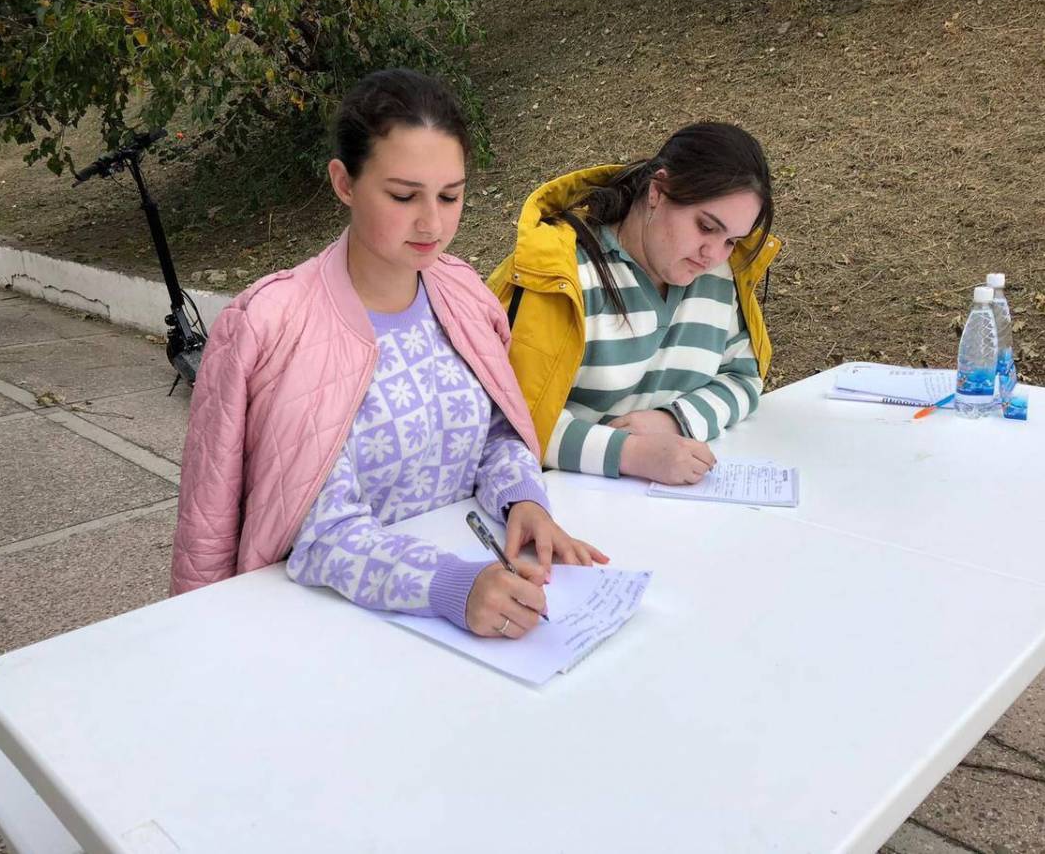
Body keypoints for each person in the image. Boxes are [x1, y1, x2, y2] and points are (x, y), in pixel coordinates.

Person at [171, 69, 604, 639]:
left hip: (473, 611)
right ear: (344, 183)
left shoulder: (464, 294)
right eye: (403, 196)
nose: (432, 222)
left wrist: (523, 499)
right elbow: (320, 528)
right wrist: (450, 586)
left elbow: (497, 434)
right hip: (329, 629)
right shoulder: (274, 326)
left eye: (450, 195)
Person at [488, 122, 781, 486]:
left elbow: (743, 377)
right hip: (558, 503)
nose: (713, 254)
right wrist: (631, 453)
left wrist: (673, 421)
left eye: (732, 241)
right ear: (657, 191)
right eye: (706, 227)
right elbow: (513, 420)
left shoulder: (719, 276)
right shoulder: (561, 275)